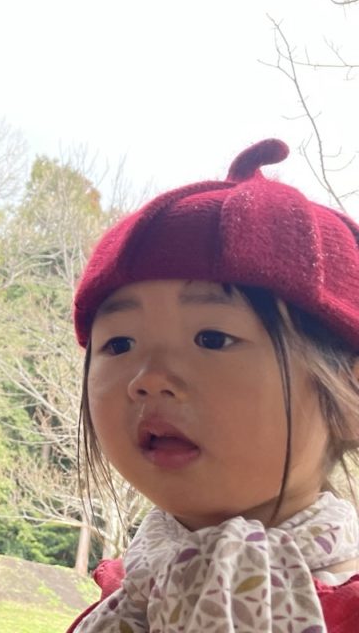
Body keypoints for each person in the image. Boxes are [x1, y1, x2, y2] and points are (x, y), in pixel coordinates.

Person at [67, 139, 359, 632]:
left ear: (349, 395)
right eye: (119, 344)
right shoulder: (124, 600)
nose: (148, 379)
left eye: (212, 338)